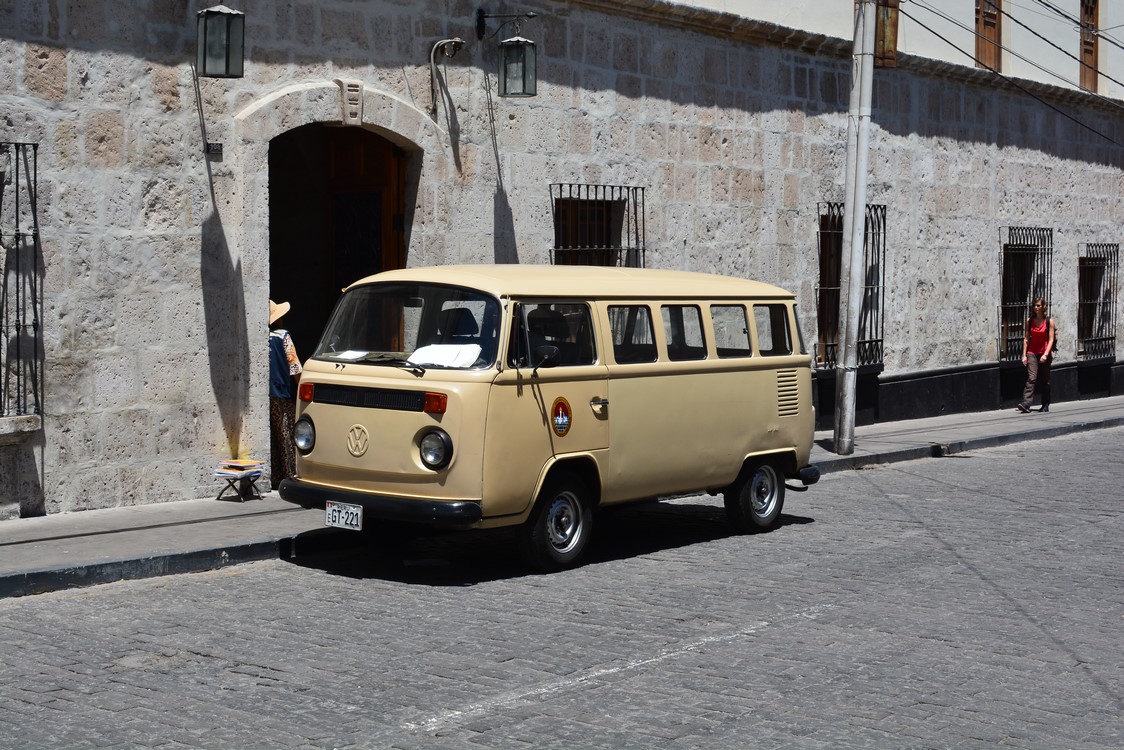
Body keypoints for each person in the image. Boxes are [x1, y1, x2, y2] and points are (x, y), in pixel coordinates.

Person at [269, 299, 303, 488]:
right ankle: (290, 474)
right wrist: (301, 388)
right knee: (287, 433)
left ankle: (275, 477)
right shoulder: (283, 336)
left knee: (273, 436)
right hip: (282, 392)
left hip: (267, 394)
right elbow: (294, 365)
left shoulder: (263, 338)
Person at [1017, 297, 1055, 414]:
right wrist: (1024, 355)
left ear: (1043, 306)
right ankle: (1026, 403)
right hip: (1032, 352)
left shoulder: (1049, 321)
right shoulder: (1029, 321)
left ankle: (1045, 403)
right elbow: (1026, 339)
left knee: (1045, 379)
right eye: (1034, 305)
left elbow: (1051, 339)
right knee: (1031, 378)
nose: (1036, 308)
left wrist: (1046, 354)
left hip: (1044, 352)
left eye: (1038, 305)